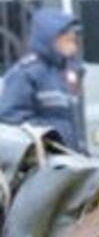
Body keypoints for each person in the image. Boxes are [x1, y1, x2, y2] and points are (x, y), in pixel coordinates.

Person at [0, 9, 86, 153]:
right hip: (43, 160)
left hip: (67, 157)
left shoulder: (64, 71)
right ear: (49, 38)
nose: (73, 41)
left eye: (73, 38)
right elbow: (10, 117)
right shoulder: (27, 72)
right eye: (67, 38)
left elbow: (70, 119)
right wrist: (49, 137)